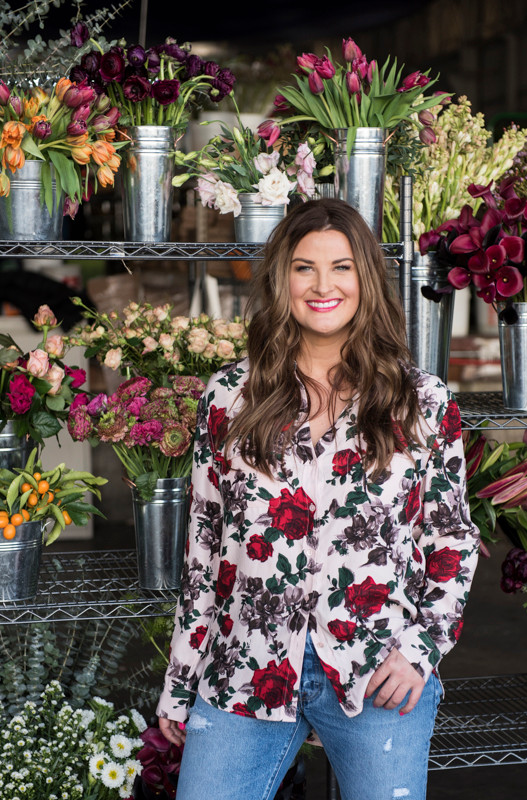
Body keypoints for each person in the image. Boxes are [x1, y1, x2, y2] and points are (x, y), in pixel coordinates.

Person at [157, 198, 480, 800]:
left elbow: (452, 540)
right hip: (245, 666)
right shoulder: (230, 396)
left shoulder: (423, 402)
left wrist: (419, 650)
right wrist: (181, 679)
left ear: (367, 280)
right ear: (282, 280)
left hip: (378, 668)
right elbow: (204, 549)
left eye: (342, 268)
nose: (323, 285)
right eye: (304, 268)